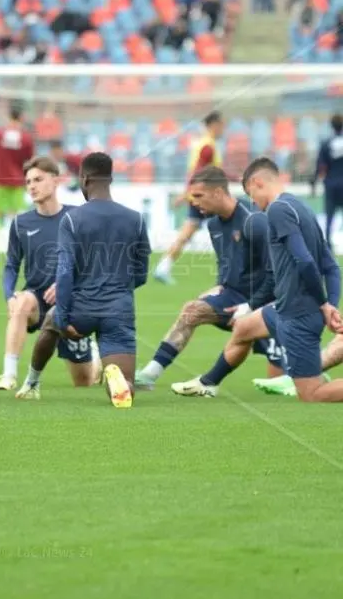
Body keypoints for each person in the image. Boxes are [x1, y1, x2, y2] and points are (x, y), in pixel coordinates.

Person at [172, 157, 343, 402]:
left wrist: (324, 304)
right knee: (243, 327)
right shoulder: (300, 207)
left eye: (249, 194)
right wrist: (331, 303)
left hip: (298, 313)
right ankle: (208, 383)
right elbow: (330, 265)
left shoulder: (277, 209)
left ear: (257, 182)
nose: (252, 202)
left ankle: (209, 383)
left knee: (312, 393)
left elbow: (305, 261)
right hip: (284, 308)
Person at [22, 152, 150, 409]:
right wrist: (120, 289)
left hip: (82, 306)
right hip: (119, 310)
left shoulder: (72, 219)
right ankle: (117, 378)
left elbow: (65, 271)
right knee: (125, 387)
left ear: (84, 178)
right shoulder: (135, 218)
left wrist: (63, 317)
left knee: (50, 322)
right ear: (110, 178)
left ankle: (31, 383)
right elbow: (142, 272)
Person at [136, 166, 282, 389]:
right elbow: (228, 267)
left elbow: (277, 275)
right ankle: (149, 376)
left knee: (287, 381)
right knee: (192, 310)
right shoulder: (214, 224)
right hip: (235, 299)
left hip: (266, 304)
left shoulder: (254, 221)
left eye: (198, 196)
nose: (192, 202)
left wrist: (250, 306)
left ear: (218, 193)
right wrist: (218, 288)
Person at [0, 156, 97, 396]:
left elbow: (91, 263)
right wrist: (9, 295)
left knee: (84, 382)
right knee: (22, 302)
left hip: (71, 302)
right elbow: (11, 266)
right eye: (28, 181)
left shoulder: (77, 217)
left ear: (56, 180)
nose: (31, 186)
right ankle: (9, 374)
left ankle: (90, 349)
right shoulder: (20, 223)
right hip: (37, 301)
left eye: (38, 179)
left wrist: (63, 284)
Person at [154, 111, 226, 285]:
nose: (223, 129)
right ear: (214, 125)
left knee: (187, 233)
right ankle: (228, 274)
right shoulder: (208, 146)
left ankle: (163, 267)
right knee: (227, 231)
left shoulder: (202, 144)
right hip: (208, 198)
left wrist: (188, 193)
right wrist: (187, 193)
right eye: (222, 125)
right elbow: (198, 172)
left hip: (201, 195)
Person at [0, 102, 34, 261]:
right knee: (18, 215)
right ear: (21, 117)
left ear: (9, 116)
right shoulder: (25, 137)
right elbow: (29, 160)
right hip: (18, 180)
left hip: (1, 179)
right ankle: (19, 250)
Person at [311, 113, 343, 249]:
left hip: (331, 184)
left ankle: (328, 245)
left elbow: (321, 166)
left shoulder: (326, 143)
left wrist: (313, 182)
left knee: (330, 215)